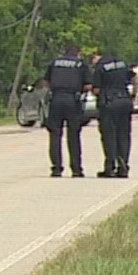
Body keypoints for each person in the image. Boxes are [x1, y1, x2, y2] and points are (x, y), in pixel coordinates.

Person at [44, 43, 88, 177]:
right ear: (77, 53)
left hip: (56, 100)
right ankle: (76, 169)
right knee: (73, 135)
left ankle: (56, 168)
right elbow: (88, 86)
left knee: (55, 135)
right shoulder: (80, 64)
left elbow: (46, 82)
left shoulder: (54, 63)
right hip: (72, 101)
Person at [91, 50, 135, 177]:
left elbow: (96, 89)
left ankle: (110, 168)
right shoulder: (121, 63)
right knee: (124, 134)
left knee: (109, 135)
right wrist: (133, 94)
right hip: (125, 101)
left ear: (97, 56)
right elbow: (135, 77)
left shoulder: (101, 66)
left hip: (109, 103)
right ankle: (123, 166)